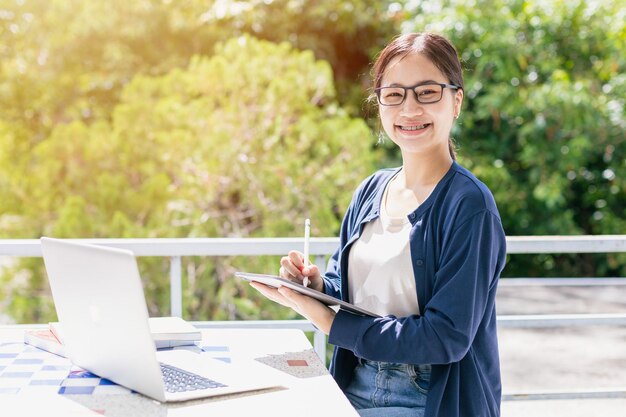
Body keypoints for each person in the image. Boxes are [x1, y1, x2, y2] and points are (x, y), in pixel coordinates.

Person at [250, 32, 506, 417]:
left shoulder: (469, 205)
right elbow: (352, 291)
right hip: (354, 382)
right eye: (395, 94)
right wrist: (317, 287)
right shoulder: (370, 190)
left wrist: (328, 323)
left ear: (456, 101)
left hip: (427, 397)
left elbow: (446, 337)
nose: (410, 109)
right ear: (380, 104)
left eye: (427, 93)